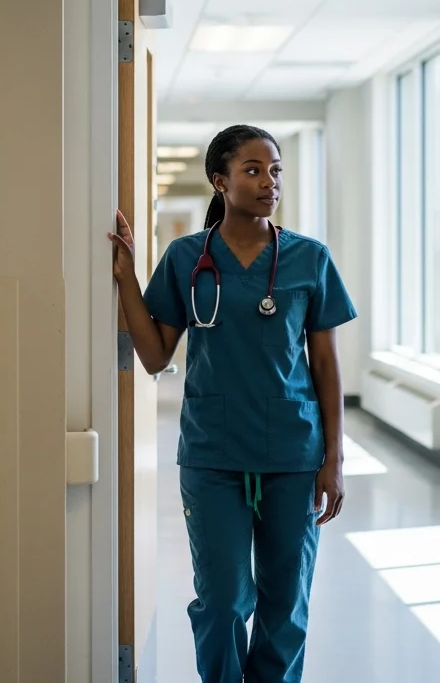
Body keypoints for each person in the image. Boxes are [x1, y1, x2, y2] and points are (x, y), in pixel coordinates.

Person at [108, 124, 357, 683]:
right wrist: (125, 275)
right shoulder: (185, 258)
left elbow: (325, 367)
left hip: (293, 453)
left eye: (276, 170)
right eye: (252, 169)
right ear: (219, 181)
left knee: (285, 605)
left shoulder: (308, 259)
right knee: (221, 603)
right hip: (213, 454)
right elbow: (153, 356)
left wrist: (334, 459)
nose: (269, 181)